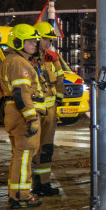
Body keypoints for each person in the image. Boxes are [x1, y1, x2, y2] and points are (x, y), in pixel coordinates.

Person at [0, 24, 44, 208]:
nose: (35, 44)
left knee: (19, 154)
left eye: (35, 41)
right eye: (30, 41)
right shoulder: (19, 63)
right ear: (18, 42)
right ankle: (21, 196)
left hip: (13, 112)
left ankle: (17, 193)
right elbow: (21, 93)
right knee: (25, 154)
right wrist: (31, 117)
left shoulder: (12, 60)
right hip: (22, 116)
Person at [29, 20, 63, 197]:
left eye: (50, 40)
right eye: (46, 40)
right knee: (31, 148)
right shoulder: (27, 58)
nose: (48, 43)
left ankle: (43, 183)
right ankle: (27, 184)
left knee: (47, 148)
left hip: (50, 112)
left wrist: (60, 99)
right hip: (34, 112)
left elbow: (59, 80)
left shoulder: (52, 58)